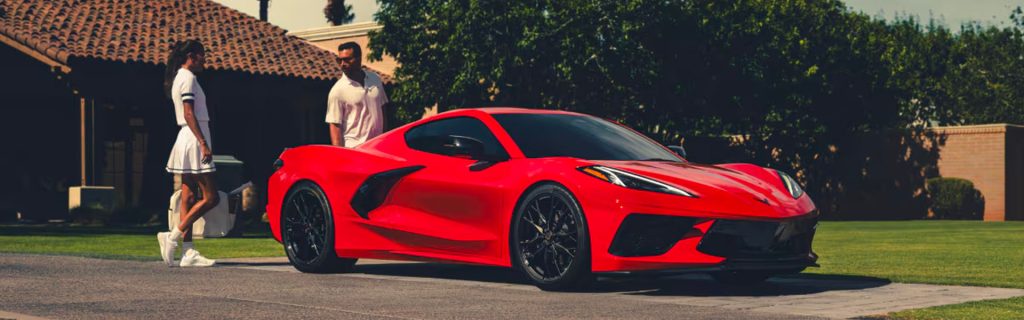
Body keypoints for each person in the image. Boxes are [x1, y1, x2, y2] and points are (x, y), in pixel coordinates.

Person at [158, 40, 219, 268]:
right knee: (212, 197)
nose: (205, 60)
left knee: (189, 197)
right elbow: (188, 112)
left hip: (187, 136)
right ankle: (173, 236)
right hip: (194, 138)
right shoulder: (188, 78)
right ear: (192, 56)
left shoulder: (180, 78)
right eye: (202, 55)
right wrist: (203, 142)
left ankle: (187, 252)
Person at [326, 42, 390, 147]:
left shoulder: (375, 79)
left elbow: (383, 109)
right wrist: (339, 157)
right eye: (340, 60)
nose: (342, 64)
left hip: (378, 147)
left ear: (359, 59)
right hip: (355, 149)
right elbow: (335, 126)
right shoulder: (337, 90)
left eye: (347, 60)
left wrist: (385, 140)